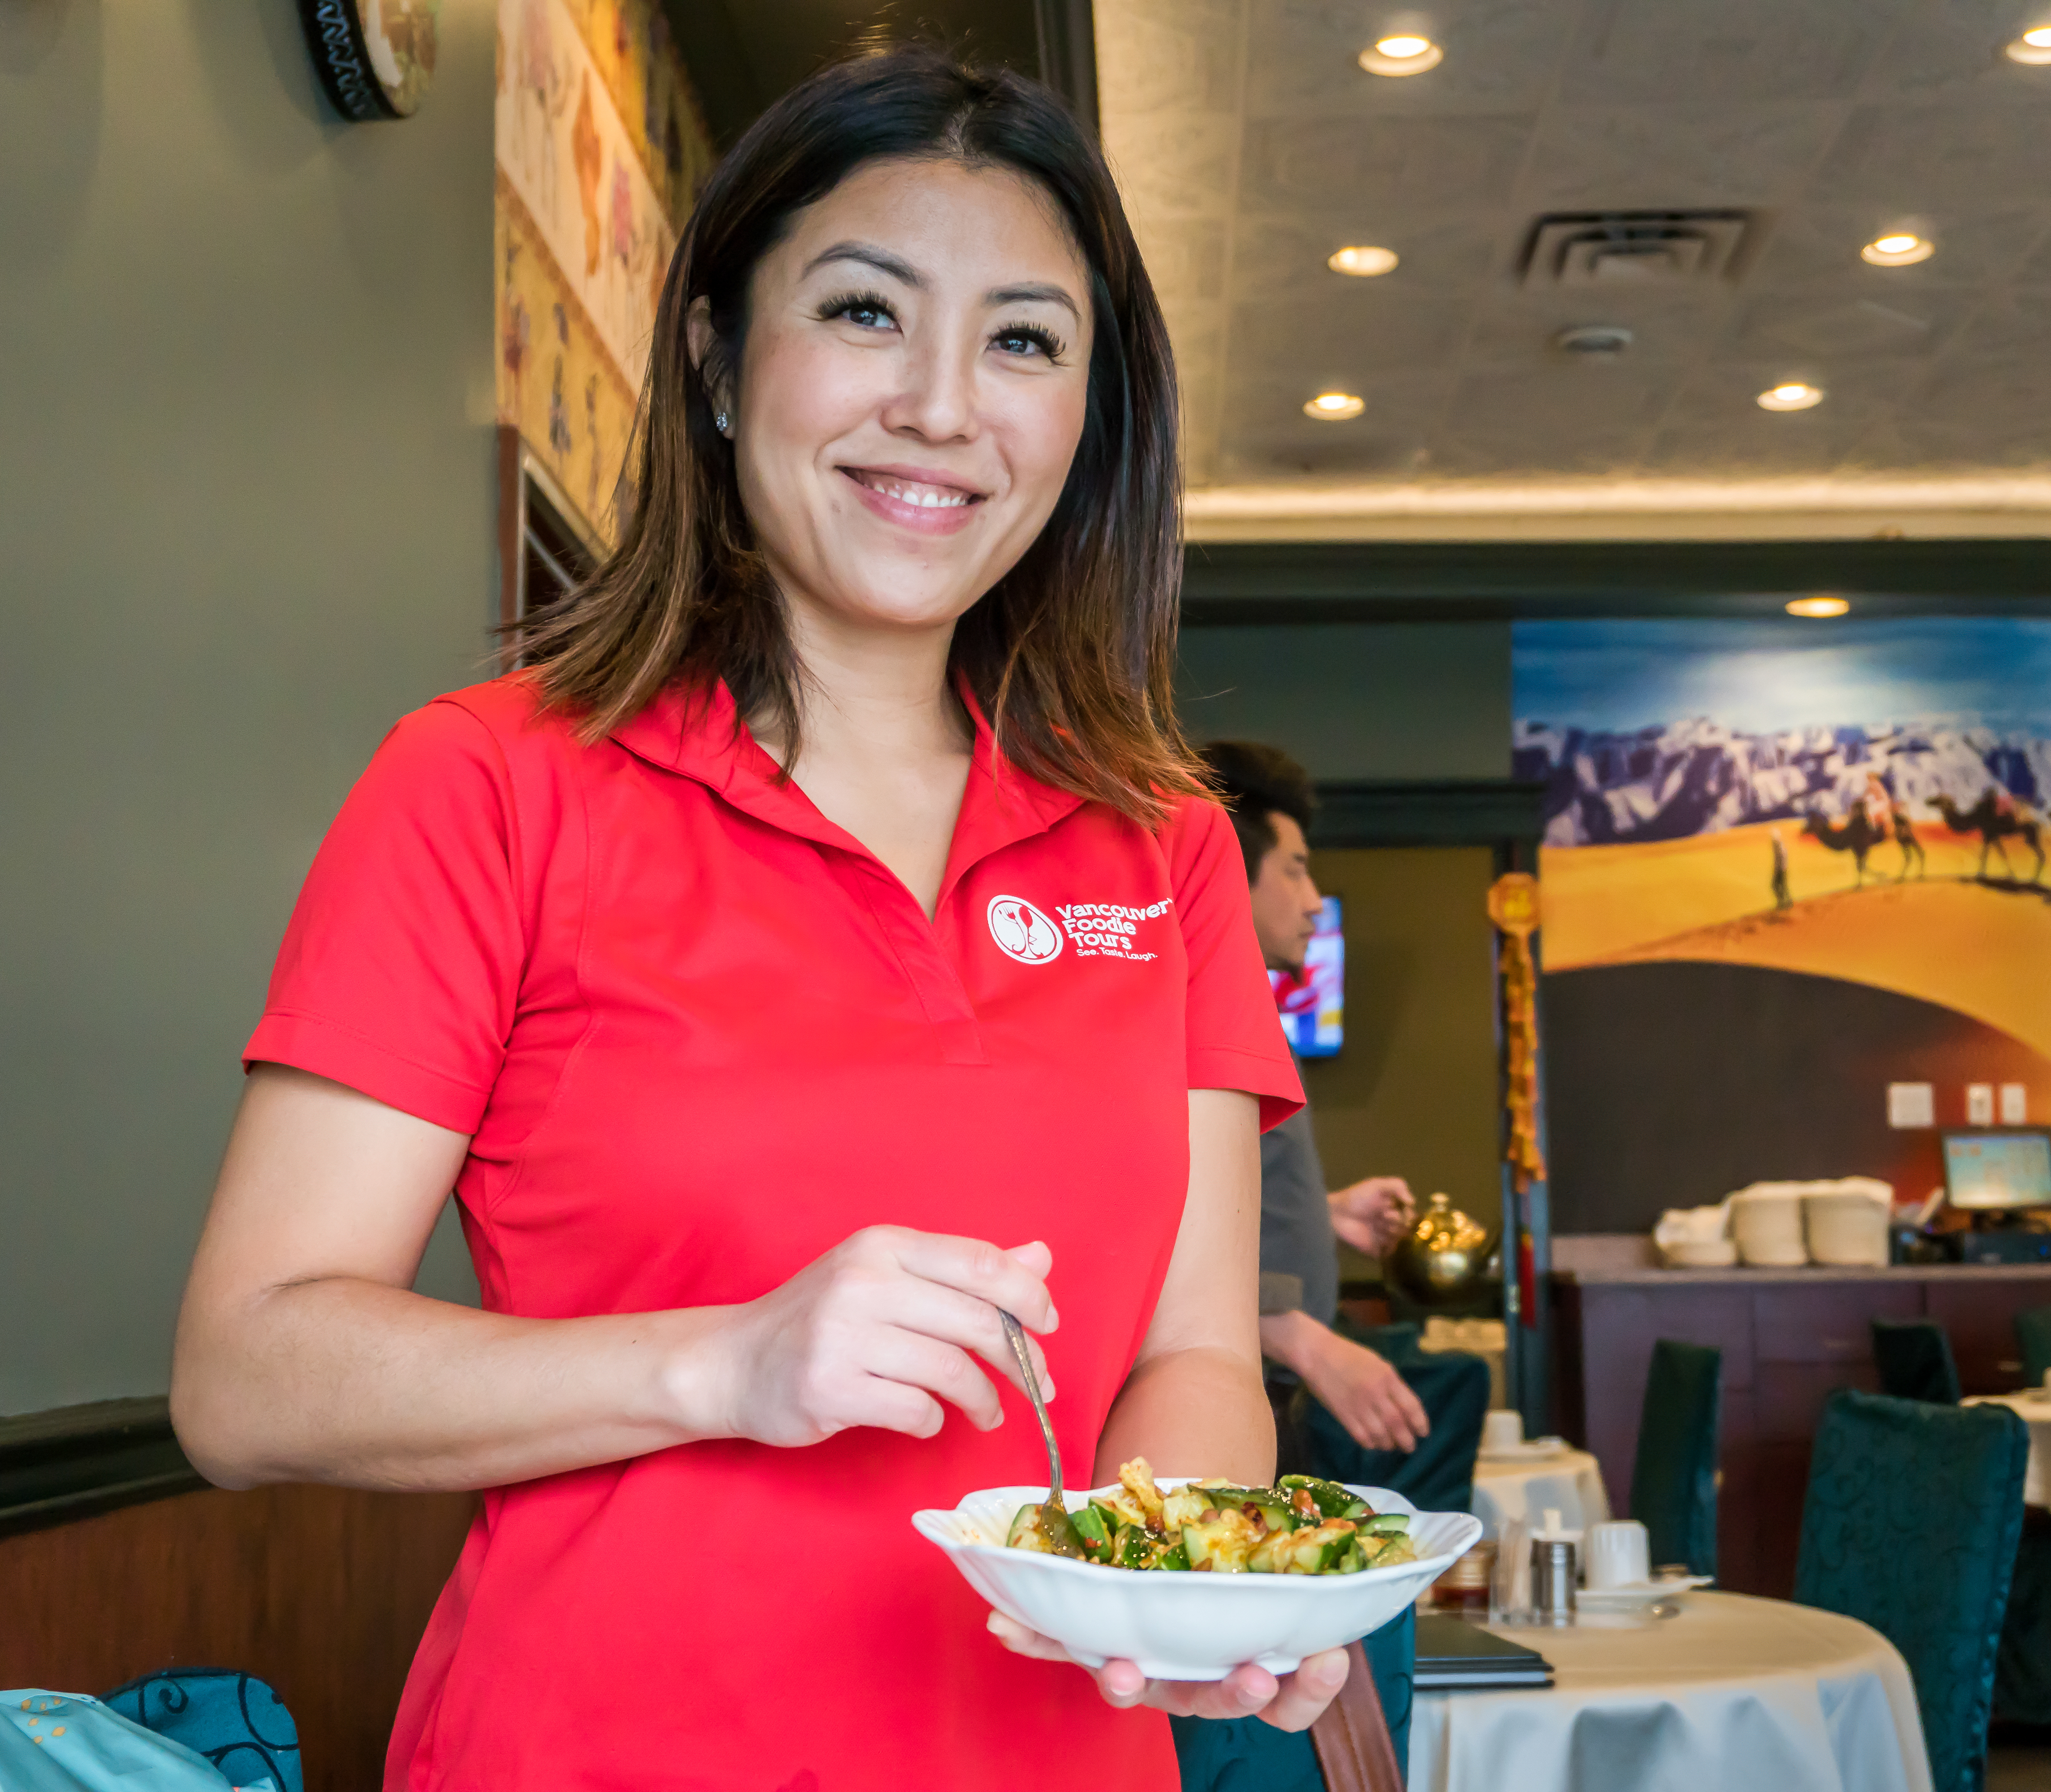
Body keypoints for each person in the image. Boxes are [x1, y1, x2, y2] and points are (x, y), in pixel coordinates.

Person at [169, 50, 1346, 1792]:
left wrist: (1187, 1582)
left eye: (1025, 339)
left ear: (1090, 412)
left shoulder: (1160, 844)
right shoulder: (491, 785)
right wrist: (729, 1362)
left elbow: (1187, 1352)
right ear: (719, 357)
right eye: (867, 311)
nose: (945, 406)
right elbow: (246, 1374)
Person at [1197, 742, 1426, 1465]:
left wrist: (1321, 1211)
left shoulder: (1239, 1004)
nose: (1315, 898)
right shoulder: (1182, 1002)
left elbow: (1212, 1188)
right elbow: (1153, 1215)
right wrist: (1298, 1336)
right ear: (1231, 866)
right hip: (1220, 1398)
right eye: (1296, 869)